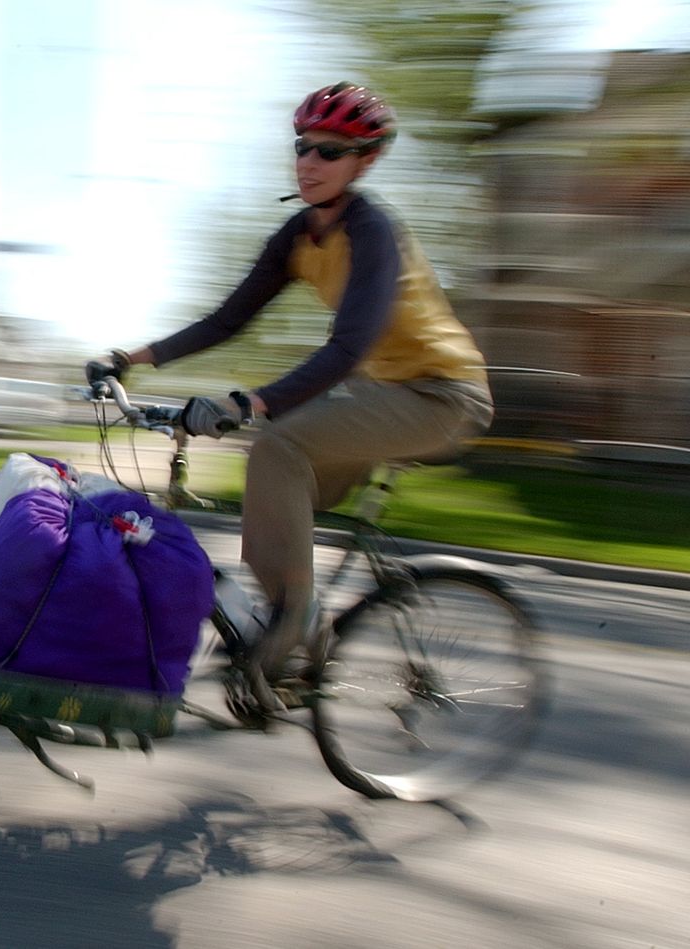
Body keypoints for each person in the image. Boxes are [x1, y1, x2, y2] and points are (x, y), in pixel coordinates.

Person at [91, 81, 493, 713]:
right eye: (304, 146)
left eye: (331, 152)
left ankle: (290, 626)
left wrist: (249, 403)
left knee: (276, 445)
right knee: (280, 494)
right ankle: (296, 641)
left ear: (365, 161)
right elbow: (228, 320)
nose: (309, 162)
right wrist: (130, 360)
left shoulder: (373, 232)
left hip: (442, 395)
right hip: (381, 393)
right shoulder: (297, 237)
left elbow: (347, 349)